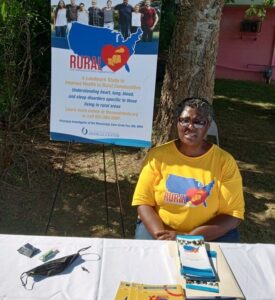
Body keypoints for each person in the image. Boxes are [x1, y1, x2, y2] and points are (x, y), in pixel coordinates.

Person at [132, 97, 245, 242]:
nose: (190, 127)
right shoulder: (157, 156)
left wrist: (188, 238)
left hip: (210, 233)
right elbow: (143, 202)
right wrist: (162, 236)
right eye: (184, 120)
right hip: (161, 229)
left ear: (207, 125)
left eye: (198, 122)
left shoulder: (224, 162)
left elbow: (233, 215)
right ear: (177, 123)